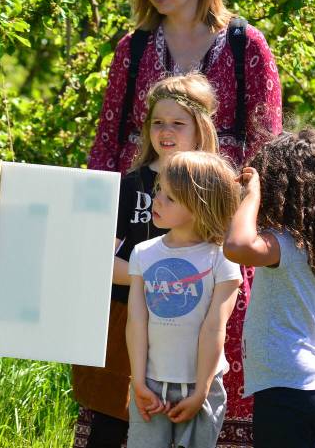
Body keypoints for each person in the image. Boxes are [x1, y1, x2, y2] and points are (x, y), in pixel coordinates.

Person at [83, 0, 283, 448]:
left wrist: (245, 230)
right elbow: (107, 144)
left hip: (217, 229)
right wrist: (90, 222)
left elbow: (267, 153)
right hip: (143, 221)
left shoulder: (246, 48)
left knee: (212, 354)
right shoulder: (135, 48)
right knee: (133, 352)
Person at [72, 74, 221, 448]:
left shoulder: (210, 186)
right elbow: (98, 260)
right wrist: (149, 276)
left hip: (184, 321)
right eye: (157, 122)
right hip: (126, 314)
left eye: (177, 123)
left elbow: (219, 256)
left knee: (170, 422)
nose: (165, 131)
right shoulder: (131, 184)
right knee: (111, 417)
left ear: (200, 129)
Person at [224, 129, 315, 448]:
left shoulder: (282, 245)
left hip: (286, 392)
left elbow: (236, 246)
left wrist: (251, 195)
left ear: (276, 193)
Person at [126, 151, 243, 448]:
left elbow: (214, 328)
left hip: (200, 387)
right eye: (158, 192)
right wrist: (138, 381)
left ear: (201, 206)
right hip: (150, 385)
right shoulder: (143, 253)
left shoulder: (222, 259)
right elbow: (137, 321)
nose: (158, 201)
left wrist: (201, 392)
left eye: (171, 198)